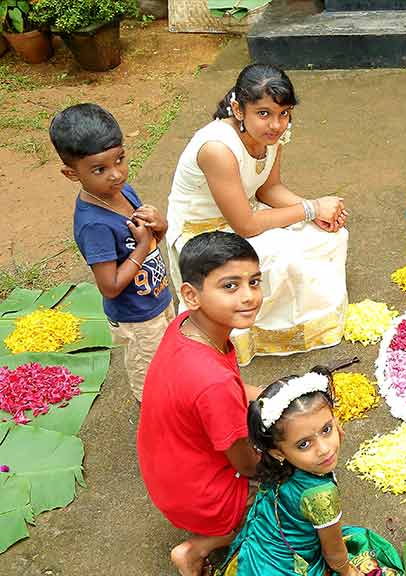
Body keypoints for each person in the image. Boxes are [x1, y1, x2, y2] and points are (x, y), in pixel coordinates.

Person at [166, 63, 349, 366]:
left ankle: (302, 322)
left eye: (284, 113)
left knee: (329, 237)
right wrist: (310, 208)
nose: (276, 125)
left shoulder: (274, 135)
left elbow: (268, 188)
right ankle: (256, 334)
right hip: (203, 234)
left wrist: (314, 212)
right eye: (263, 113)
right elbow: (246, 225)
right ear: (238, 109)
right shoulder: (217, 149)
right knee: (283, 256)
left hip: (245, 215)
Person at [137, 231, 263, 576]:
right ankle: (200, 546)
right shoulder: (213, 382)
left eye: (254, 281)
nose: (249, 296)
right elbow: (249, 466)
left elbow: (233, 390)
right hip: (202, 499)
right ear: (191, 295)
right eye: (230, 286)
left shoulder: (185, 327)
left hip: (169, 476)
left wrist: (278, 394)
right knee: (303, 482)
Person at [217, 367, 405, 576]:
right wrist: (349, 572)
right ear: (278, 452)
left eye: (326, 429)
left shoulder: (276, 468)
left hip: (257, 557)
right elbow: (334, 555)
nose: (324, 449)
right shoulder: (321, 494)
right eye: (304, 444)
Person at [51, 103, 173, 403]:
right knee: (150, 381)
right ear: (71, 173)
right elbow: (110, 286)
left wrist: (161, 225)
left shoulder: (123, 192)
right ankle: (156, 422)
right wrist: (143, 247)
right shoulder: (94, 225)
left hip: (158, 298)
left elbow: (152, 238)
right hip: (137, 317)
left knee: (169, 363)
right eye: (99, 169)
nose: (116, 174)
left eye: (119, 159)